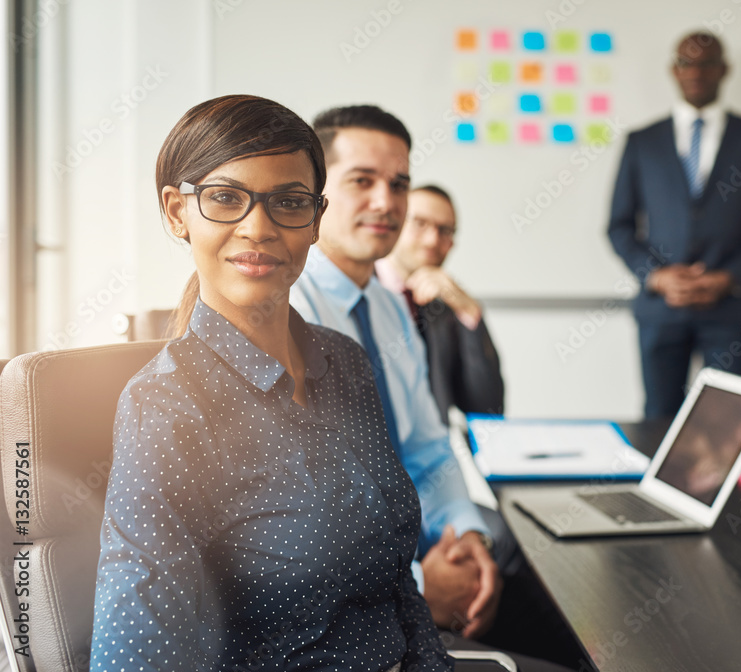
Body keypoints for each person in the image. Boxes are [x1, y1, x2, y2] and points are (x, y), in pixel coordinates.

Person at [90, 95, 452, 671]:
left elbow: (395, 588)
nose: (257, 228)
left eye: (288, 202)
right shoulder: (165, 407)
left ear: (314, 220)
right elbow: (136, 658)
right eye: (226, 199)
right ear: (177, 212)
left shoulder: (346, 364)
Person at [289, 106, 576, 672]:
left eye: (399, 184)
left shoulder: (389, 308)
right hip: (346, 603)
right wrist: (419, 585)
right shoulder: (290, 310)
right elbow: (304, 516)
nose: (385, 202)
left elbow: (426, 446)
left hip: (417, 554)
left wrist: (465, 533)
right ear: (316, 193)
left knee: (564, 621)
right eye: (362, 181)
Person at [608, 31, 741, 420]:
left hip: (729, 309)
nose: (695, 72)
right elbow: (619, 225)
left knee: (728, 421)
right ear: (673, 70)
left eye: (706, 63)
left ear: (724, 70)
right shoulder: (642, 142)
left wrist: (730, 277)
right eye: (685, 62)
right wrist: (656, 277)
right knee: (659, 419)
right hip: (660, 309)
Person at [376, 184, 504, 426]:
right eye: (420, 223)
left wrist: (469, 313)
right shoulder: (358, 289)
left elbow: (487, 409)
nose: (432, 240)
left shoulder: (445, 309)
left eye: (445, 230)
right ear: (396, 222)